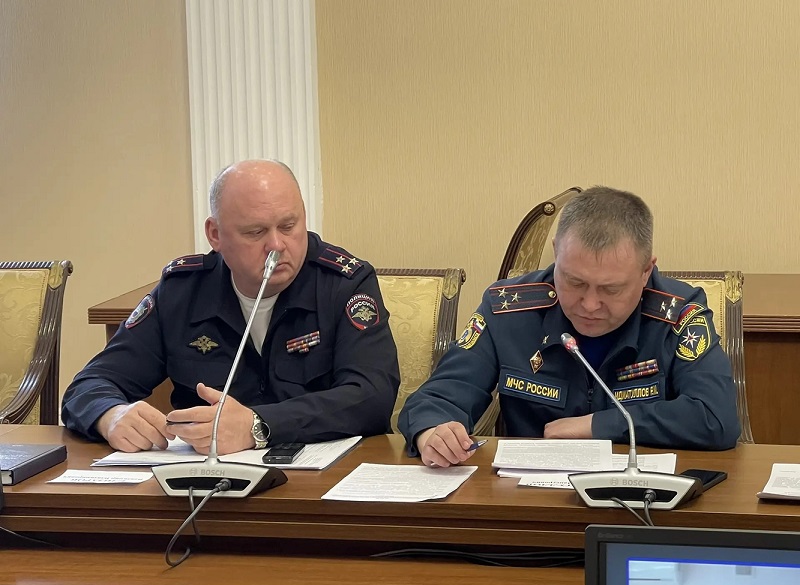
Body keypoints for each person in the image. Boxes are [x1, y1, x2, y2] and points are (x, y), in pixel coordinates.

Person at [62, 159, 400, 455]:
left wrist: (258, 424)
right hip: (205, 483)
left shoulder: (342, 283)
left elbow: (373, 396)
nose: (277, 245)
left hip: (321, 481)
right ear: (215, 234)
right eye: (255, 232)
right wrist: (110, 415)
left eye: (288, 226)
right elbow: (91, 384)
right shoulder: (183, 291)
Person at [399, 186, 740, 467]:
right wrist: (433, 431)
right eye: (574, 282)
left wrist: (597, 426)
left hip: (641, 501)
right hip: (531, 502)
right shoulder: (508, 309)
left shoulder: (678, 314)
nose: (589, 304)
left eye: (611, 289)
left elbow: (716, 417)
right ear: (556, 253)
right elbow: (437, 397)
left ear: (646, 271)